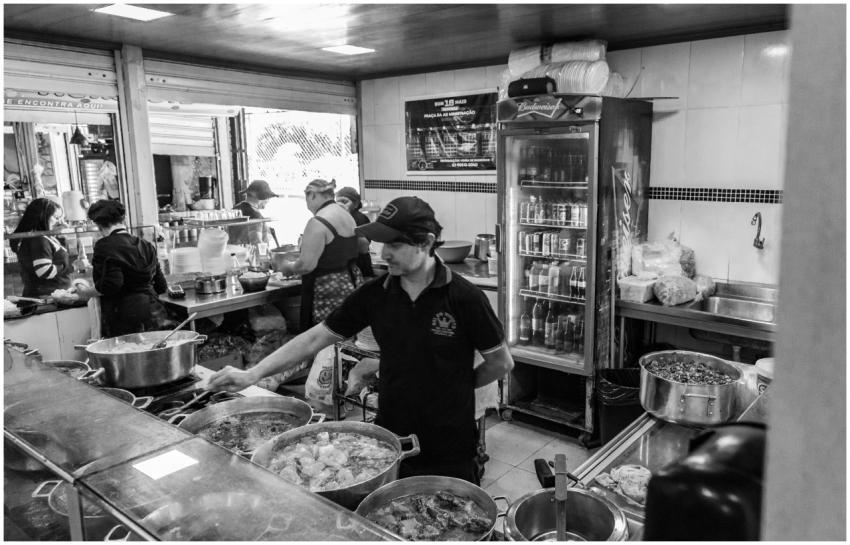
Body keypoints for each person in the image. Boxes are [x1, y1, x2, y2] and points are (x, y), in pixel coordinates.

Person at [208, 196, 513, 484]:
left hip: (450, 441)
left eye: (395, 243)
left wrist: (452, 385)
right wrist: (253, 373)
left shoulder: (465, 298)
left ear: (427, 243)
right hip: (390, 436)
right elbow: (315, 337)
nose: (384, 253)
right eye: (382, 243)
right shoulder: (376, 294)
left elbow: (501, 363)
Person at [278, 178, 363, 331]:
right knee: (344, 335)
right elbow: (362, 246)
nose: (307, 205)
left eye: (307, 199)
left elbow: (306, 266)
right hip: (351, 282)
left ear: (312, 195)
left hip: (327, 290)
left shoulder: (318, 222)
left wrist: (287, 266)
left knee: (323, 339)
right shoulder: (347, 215)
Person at [82, 200, 173, 337]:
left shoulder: (104, 246)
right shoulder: (146, 245)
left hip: (125, 318)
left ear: (99, 225)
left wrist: (83, 292)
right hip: (155, 313)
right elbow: (161, 286)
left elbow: (111, 285)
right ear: (122, 220)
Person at [10, 197, 72, 298]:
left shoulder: (39, 237)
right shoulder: (39, 240)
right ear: (43, 216)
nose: (60, 222)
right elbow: (45, 271)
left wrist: (54, 233)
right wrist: (74, 267)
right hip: (47, 297)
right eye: (56, 217)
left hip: (49, 295)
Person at [335, 185, 374, 278]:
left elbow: (363, 248)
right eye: (337, 202)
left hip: (360, 268)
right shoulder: (339, 218)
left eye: (344, 201)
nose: (340, 205)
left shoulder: (359, 218)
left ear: (356, 204)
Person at [231, 179, 278, 245]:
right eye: (268, 197)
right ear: (262, 197)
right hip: (248, 253)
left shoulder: (235, 209)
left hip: (232, 252)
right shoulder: (255, 215)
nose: (268, 201)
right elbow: (257, 243)